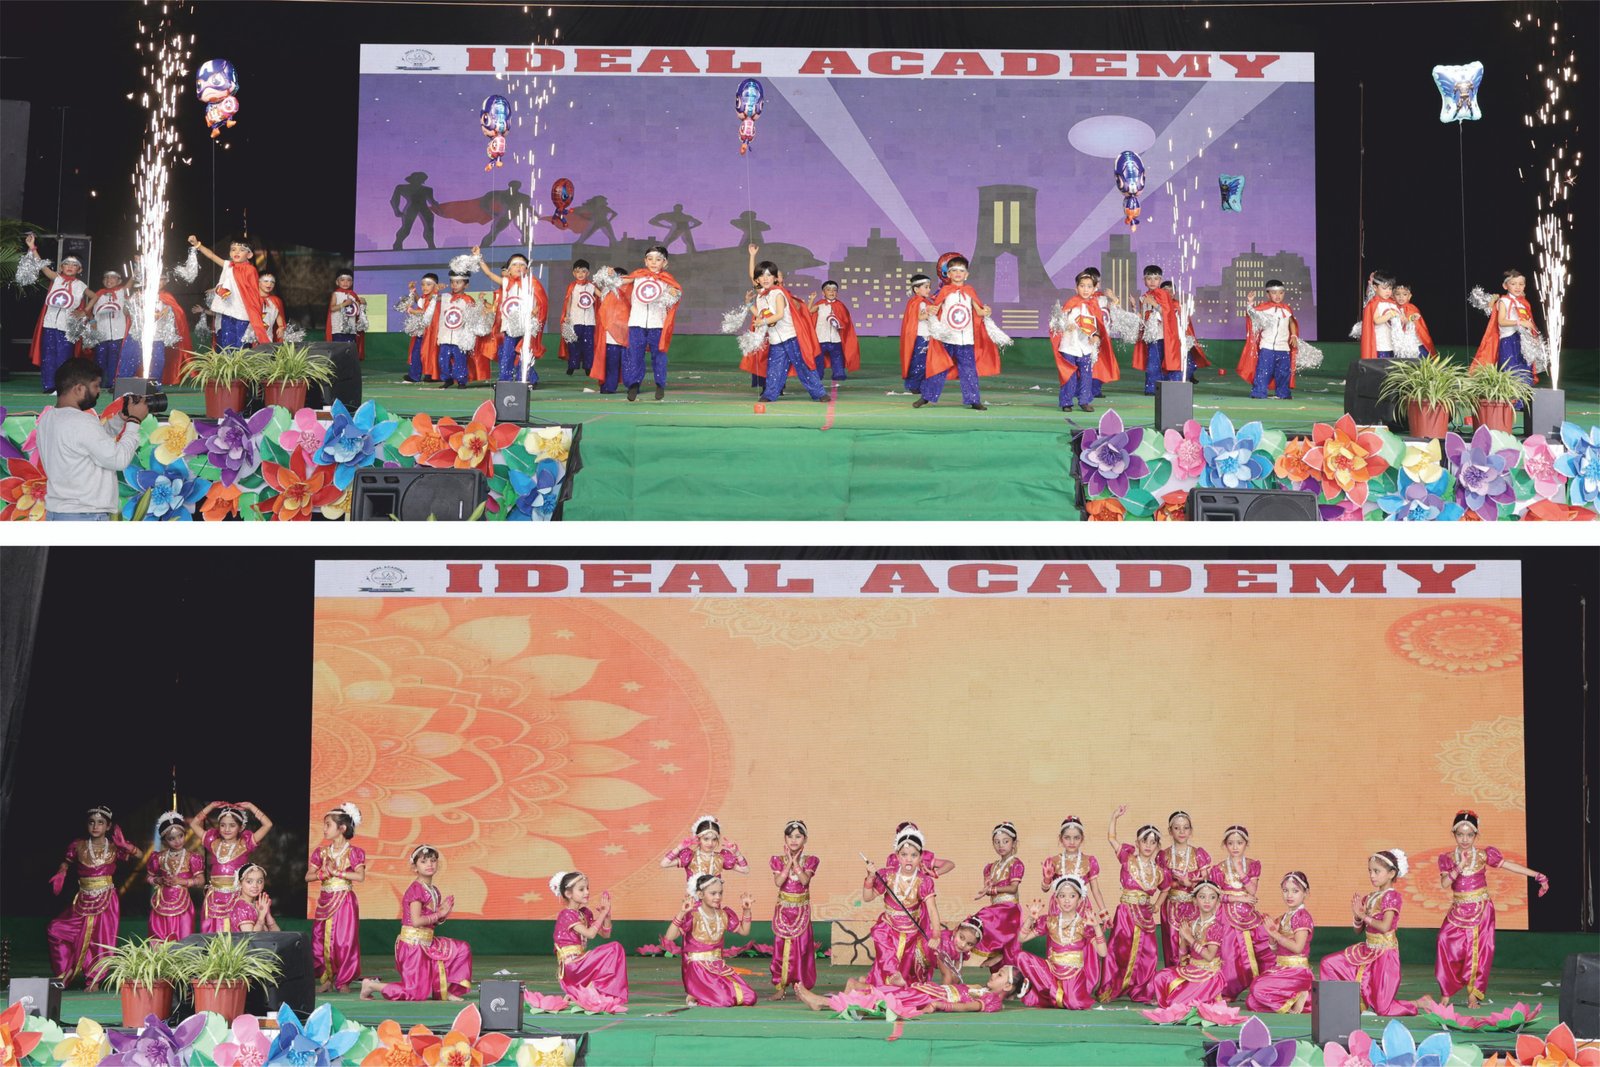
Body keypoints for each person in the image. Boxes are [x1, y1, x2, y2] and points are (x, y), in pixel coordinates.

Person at [1435, 810, 1549, 1007]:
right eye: (1460, 834)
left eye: (1469, 835)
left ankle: (1473, 995)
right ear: (1454, 834)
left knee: (1478, 951)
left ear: (1476, 835)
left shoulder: (1483, 855)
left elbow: (1510, 865)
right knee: (1444, 941)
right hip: (1458, 910)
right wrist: (1459, 866)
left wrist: (1537, 875)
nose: (1465, 839)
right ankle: (1446, 993)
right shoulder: (1447, 858)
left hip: (1481, 909)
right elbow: (1445, 884)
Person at [35, 359, 146, 520]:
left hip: (59, 514)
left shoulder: (48, 418)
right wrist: (134, 421)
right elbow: (118, 459)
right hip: (85, 516)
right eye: (96, 386)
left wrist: (120, 419)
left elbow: (89, 443)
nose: (99, 391)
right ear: (79, 388)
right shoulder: (82, 422)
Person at [362, 845, 473, 1002]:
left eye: (433, 861)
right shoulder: (416, 890)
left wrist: (442, 915)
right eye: (423, 861)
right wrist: (439, 914)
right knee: (414, 994)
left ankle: (445, 991)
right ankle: (371, 985)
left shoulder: (434, 891)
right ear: (415, 867)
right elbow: (416, 921)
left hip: (427, 943)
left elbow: (430, 921)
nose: (429, 864)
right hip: (412, 946)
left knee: (462, 949)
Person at [46, 805, 140, 988]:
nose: (95, 826)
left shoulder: (115, 847)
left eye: (100, 822)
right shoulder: (78, 845)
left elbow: (142, 855)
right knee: (55, 929)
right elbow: (67, 861)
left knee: (101, 940)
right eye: (91, 822)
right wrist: (62, 870)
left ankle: (95, 979)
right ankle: (63, 974)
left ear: (108, 826)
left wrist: (127, 846)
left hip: (107, 899)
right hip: (83, 899)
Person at [1317, 850, 1416, 1016]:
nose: (1372, 875)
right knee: (1328, 963)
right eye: (1370, 871)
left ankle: (1418, 1003)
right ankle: (1340, 1005)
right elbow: (1358, 931)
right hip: (1367, 951)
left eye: (1377, 871)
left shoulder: (1392, 896)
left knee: (1383, 1009)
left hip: (1385, 956)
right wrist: (1357, 916)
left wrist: (1363, 915)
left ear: (1391, 873)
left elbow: (1385, 927)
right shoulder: (1369, 897)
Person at [1099, 808, 1169, 1003]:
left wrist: (1157, 905)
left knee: (1148, 952)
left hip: (1145, 915)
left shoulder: (1159, 872)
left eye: (1153, 842)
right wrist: (1113, 818)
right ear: (1137, 843)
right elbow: (1112, 838)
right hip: (1126, 912)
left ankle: (1141, 991)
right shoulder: (1127, 859)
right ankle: (1110, 988)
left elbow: (1166, 889)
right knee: (1119, 949)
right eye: (1144, 841)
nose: (1148, 845)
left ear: (1157, 846)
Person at [862, 828, 948, 987]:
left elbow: (932, 910)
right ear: (897, 856)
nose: (909, 859)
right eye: (904, 855)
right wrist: (870, 877)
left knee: (907, 974)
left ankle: (879, 984)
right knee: (881, 937)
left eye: (914, 855)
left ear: (921, 857)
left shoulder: (924, 881)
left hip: (911, 933)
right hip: (888, 926)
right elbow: (867, 897)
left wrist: (936, 935)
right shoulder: (887, 875)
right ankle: (891, 974)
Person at [917, 256, 1002, 411]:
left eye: (961, 270)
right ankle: (927, 396)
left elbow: (979, 311)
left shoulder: (970, 292)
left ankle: (973, 400)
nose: (957, 273)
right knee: (940, 366)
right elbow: (936, 308)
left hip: (966, 338)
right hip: (947, 337)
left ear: (966, 275)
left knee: (968, 369)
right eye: (954, 270)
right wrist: (930, 310)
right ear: (948, 274)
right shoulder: (944, 291)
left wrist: (986, 311)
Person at [1015, 876, 1107, 1009]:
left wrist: (1097, 927)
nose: (1067, 900)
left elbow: (1102, 953)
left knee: (1074, 1004)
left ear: (1080, 900)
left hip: (1074, 974)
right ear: (1056, 900)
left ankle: (1053, 996)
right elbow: (1021, 939)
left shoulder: (1084, 924)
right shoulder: (1049, 921)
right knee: (1021, 957)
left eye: (1072, 896)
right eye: (1062, 896)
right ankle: (1052, 993)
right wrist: (1030, 918)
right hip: (1051, 971)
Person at [665, 874, 757, 1007]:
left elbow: (744, 931)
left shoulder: (723, 915)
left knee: (750, 997)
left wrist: (747, 910)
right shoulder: (693, 916)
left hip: (719, 966)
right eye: (713, 893)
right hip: (698, 968)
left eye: (720, 893)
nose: (718, 897)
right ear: (700, 895)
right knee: (724, 1001)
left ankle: (701, 994)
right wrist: (682, 913)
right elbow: (669, 937)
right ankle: (695, 994)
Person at [747, 259, 828, 404]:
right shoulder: (760, 296)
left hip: (791, 338)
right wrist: (749, 304)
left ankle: (819, 393)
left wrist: (763, 322)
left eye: (769, 275)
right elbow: (760, 314)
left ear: (775, 278)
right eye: (762, 275)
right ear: (757, 279)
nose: (765, 278)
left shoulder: (778, 293)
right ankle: (770, 394)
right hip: (776, 341)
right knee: (774, 369)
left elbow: (779, 315)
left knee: (803, 367)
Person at [1209, 824, 1274, 999]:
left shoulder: (1252, 865)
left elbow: (1252, 891)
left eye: (1239, 843)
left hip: (1248, 915)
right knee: (1229, 953)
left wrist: (1240, 871)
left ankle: (1261, 988)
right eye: (1230, 843)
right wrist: (1239, 899)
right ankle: (1229, 989)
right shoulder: (1218, 869)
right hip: (1227, 914)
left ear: (1246, 844)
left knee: (1261, 947)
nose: (1235, 847)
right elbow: (1217, 895)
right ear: (1225, 845)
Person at [189, 800, 273, 934]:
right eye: (223, 825)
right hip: (214, 897)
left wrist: (251, 807)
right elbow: (194, 824)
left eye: (232, 825)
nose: (226, 829)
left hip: (236, 897)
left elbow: (268, 824)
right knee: (213, 933)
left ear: (241, 827)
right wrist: (211, 806)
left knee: (234, 932)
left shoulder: (245, 844)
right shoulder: (213, 842)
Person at [308, 803, 366, 994]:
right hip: (325, 900)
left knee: (344, 941)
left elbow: (360, 876)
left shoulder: (354, 852)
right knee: (321, 938)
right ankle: (327, 979)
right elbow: (308, 876)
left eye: (328, 825)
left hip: (345, 901)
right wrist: (322, 874)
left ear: (341, 828)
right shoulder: (321, 853)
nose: (324, 829)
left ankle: (344, 981)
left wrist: (337, 873)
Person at [796, 967, 1023, 1015]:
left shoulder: (992, 1000)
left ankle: (822, 1002)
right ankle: (846, 994)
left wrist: (939, 1005)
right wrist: (906, 985)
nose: (994, 974)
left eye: (1000, 975)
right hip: (928, 990)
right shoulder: (980, 987)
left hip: (930, 997)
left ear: (1007, 987)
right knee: (882, 990)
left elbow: (967, 1007)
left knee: (879, 999)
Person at [550, 870, 629, 1007]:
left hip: (581, 964)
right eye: (581, 889)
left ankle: (587, 991)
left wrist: (607, 916)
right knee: (614, 948)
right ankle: (590, 990)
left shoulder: (584, 913)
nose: (587, 892)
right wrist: (602, 914)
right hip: (572, 967)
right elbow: (590, 934)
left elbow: (605, 934)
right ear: (568, 894)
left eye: (587, 888)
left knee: (615, 949)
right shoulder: (566, 915)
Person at [22, 234, 89, 393]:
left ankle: (62, 387)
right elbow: (42, 267)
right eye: (66, 264)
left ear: (79, 269)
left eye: (74, 265)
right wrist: (32, 247)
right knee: (48, 355)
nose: (70, 266)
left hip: (66, 326)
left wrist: (84, 311)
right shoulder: (57, 279)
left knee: (64, 357)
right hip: (49, 323)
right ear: (61, 267)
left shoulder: (81, 285)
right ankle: (49, 385)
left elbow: (96, 296)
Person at [1245, 872, 1315, 1013]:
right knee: (1251, 1002)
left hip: (1296, 972)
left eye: (1295, 891)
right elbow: (1276, 951)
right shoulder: (1284, 917)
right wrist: (1272, 936)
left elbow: (1298, 948)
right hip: (1282, 968)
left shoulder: (1302, 916)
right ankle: (1295, 1000)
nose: (1289, 895)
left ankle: (1299, 996)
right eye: (1285, 890)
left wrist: (1276, 934)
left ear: (1305, 893)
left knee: (1257, 988)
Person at [476, 248, 548, 385]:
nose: (518, 267)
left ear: (527, 269)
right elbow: (489, 274)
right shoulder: (506, 283)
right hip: (510, 327)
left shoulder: (532, 284)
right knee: (507, 354)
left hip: (527, 326)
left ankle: (526, 380)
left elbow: (541, 302)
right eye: (515, 265)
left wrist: (535, 311)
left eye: (522, 265)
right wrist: (479, 258)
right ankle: (505, 380)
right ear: (509, 270)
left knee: (524, 354)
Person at [1151, 881, 1227, 1008]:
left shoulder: (1216, 927)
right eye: (1202, 896)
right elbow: (1182, 956)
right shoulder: (1191, 923)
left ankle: (1189, 996)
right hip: (1191, 969)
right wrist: (1183, 939)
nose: (1207, 901)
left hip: (1208, 975)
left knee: (1175, 1003)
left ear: (1218, 902)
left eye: (1212, 897)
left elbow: (1209, 956)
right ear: (1195, 901)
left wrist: (1189, 938)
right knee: (1160, 977)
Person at [619, 246, 682, 401]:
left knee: (659, 355)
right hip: (637, 322)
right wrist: (610, 276)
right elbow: (618, 282)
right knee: (635, 355)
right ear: (645, 261)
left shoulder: (666, 280)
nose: (654, 262)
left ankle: (660, 384)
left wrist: (674, 293)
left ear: (665, 263)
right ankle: (634, 385)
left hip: (657, 324)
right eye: (650, 259)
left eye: (658, 259)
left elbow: (675, 295)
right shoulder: (638, 276)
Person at [1051, 271, 1117, 413]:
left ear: (1094, 289)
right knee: (1069, 375)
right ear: (1076, 288)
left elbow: (1098, 325)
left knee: (1086, 375)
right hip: (1069, 346)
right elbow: (1057, 322)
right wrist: (1065, 326)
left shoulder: (1094, 306)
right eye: (1082, 286)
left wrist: (1097, 336)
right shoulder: (1070, 304)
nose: (1085, 289)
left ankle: (1084, 401)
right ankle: (1066, 402)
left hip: (1086, 347)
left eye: (1089, 286)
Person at [188, 236, 270, 351]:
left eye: (241, 250)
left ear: (249, 255)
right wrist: (197, 244)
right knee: (226, 343)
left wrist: (255, 312)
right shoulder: (228, 266)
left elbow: (253, 293)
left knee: (241, 345)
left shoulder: (250, 270)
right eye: (233, 249)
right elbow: (211, 256)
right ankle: (227, 362)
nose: (236, 252)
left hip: (242, 315)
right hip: (228, 312)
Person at [769, 820, 820, 999]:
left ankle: (801, 988)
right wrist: (788, 863)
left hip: (801, 913)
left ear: (805, 839)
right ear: (785, 838)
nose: (794, 840)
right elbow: (778, 882)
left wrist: (795, 863)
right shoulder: (777, 860)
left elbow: (804, 880)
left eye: (798, 836)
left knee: (802, 950)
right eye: (790, 836)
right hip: (783, 912)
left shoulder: (811, 860)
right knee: (780, 950)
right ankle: (780, 988)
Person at [1157, 812, 1212, 968]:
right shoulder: (1163, 856)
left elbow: (1207, 883)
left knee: (1195, 941)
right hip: (1171, 906)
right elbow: (1160, 882)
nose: (1182, 832)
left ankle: (1194, 977)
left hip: (1194, 906)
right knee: (1172, 944)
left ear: (1190, 830)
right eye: (1177, 828)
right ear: (1170, 831)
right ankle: (1173, 978)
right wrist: (1175, 884)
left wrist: (1188, 883)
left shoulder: (1198, 854)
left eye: (1186, 828)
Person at [1471, 269, 1541, 390]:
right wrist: (1519, 322)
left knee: (1525, 370)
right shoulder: (1504, 301)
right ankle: (1512, 399)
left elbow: (1529, 322)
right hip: (1509, 341)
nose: (1517, 287)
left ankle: (1524, 399)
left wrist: (1533, 336)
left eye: (1521, 284)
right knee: (1511, 371)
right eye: (1513, 284)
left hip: (1524, 341)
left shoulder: (1524, 303)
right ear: (1505, 286)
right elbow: (1501, 321)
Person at [971, 823, 1025, 971]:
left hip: (1009, 909)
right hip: (997, 909)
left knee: (983, 916)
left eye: (1005, 841)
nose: (1001, 845)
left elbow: (1013, 888)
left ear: (1014, 843)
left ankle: (1000, 956)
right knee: (982, 925)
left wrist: (993, 889)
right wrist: (986, 889)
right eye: (997, 842)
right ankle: (995, 956)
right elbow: (988, 888)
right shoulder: (990, 867)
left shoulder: (1016, 864)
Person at [147, 811, 203, 943]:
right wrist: (158, 880)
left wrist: (182, 881)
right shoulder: (158, 857)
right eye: (171, 838)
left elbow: (201, 880)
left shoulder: (192, 857)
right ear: (165, 840)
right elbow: (149, 877)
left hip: (183, 906)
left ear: (184, 834)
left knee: (183, 940)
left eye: (180, 836)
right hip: (161, 904)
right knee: (159, 941)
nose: (177, 841)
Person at [1238, 281, 1300, 400]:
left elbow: (1292, 322)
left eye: (1281, 293)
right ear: (1268, 294)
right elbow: (1252, 315)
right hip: (1267, 346)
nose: (1278, 296)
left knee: (1283, 372)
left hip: (1283, 347)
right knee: (1263, 370)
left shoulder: (1287, 309)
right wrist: (1250, 302)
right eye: (1274, 293)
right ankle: (1259, 392)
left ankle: (1283, 393)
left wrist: (1293, 335)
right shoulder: (1263, 308)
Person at [1040, 816, 1108, 921]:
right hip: (1058, 907)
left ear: (1082, 839)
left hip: (1081, 907)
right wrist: (1047, 879)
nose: (1072, 842)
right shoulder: (1053, 861)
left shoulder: (1089, 861)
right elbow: (1045, 889)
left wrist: (1104, 913)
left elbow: (1095, 890)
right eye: (1067, 838)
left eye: (1076, 838)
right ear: (1060, 838)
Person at [1132, 265, 1181, 395]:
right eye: (1149, 278)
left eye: (1156, 279)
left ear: (1160, 280)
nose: (1152, 282)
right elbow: (1145, 317)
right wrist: (1135, 310)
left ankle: (1171, 388)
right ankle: (1152, 388)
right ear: (1144, 280)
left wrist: (1154, 303)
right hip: (1152, 336)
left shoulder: (1163, 294)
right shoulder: (1144, 297)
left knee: (1169, 362)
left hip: (1165, 336)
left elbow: (1168, 314)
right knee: (1153, 363)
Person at [661, 815, 750, 881]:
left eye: (714, 839)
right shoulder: (690, 857)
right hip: (693, 901)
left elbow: (745, 870)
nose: (710, 843)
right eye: (706, 839)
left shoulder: (720, 858)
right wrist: (679, 847)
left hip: (714, 901)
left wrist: (737, 853)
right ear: (698, 838)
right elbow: (664, 864)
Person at [587, 266, 629, 395]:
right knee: (611, 363)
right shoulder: (606, 292)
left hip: (626, 337)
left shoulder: (629, 294)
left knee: (628, 364)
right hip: (610, 337)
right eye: (614, 277)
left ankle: (632, 386)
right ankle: (609, 386)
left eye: (621, 278)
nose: (618, 281)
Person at [810, 281, 860, 382]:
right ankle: (818, 375)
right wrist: (811, 300)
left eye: (834, 290)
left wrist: (839, 323)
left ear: (837, 293)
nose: (831, 292)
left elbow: (846, 321)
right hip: (820, 337)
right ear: (823, 293)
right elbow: (809, 311)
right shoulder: (820, 305)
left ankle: (839, 373)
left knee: (837, 357)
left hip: (835, 338)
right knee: (818, 358)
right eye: (828, 290)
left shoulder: (841, 306)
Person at [88, 269, 130, 384]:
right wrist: (92, 323)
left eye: (112, 277)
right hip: (101, 333)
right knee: (100, 360)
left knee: (114, 360)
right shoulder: (98, 295)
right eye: (106, 277)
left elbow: (131, 283)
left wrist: (136, 270)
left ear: (119, 281)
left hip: (118, 334)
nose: (109, 280)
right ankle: (99, 384)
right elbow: (90, 311)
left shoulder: (121, 292)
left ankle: (113, 383)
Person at [398, 274, 441, 383]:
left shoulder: (436, 298)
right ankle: (414, 375)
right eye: (423, 285)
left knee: (430, 353)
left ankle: (431, 375)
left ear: (435, 286)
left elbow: (426, 313)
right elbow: (420, 302)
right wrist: (413, 290)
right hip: (423, 331)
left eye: (428, 284)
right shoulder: (426, 297)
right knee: (417, 352)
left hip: (431, 332)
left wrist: (412, 311)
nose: (425, 287)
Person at [559, 259, 598, 375]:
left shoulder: (592, 286)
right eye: (578, 271)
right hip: (575, 320)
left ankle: (588, 367)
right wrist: (567, 316)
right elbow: (568, 302)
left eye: (583, 271)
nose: (580, 274)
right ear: (574, 273)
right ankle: (572, 365)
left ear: (588, 273)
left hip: (589, 321)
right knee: (573, 344)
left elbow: (601, 296)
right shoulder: (572, 287)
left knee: (588, 345)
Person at [899, 274, 935, 395]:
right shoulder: (917, 302)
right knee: (919, 362)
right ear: (916, 289)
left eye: (929, 287)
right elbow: (919, 317)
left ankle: (918, 384)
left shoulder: (922, 302)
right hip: (921, 336)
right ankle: (914, 385)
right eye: (926, 287)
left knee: (922, 361)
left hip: (924, 335)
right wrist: (930, 313)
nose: (929, 289)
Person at [325, 270, 369, 360]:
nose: (345, 282)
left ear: (352, 282)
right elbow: (332, 308)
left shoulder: (353, 295)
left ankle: (349, 366)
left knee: (350, 349)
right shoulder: (336, 294)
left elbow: (358, 311)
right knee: (338, 349)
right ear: (337, 282)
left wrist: (363, 303)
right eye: (342, 280)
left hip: (351, 328)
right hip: (338, 328)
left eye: (348, 280)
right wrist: (344, 304)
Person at [390, 171, 440, 250]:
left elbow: (432, 201)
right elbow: (394, 200)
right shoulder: (401, 187)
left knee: (429, 228)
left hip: (424, 208)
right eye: (417, 179)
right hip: (411, 208)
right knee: (406, 229)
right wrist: (396, 210)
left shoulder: (428, 189)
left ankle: (431, 245)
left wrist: (437, 206)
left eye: (420, 179)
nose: (418, 181)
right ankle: (398, 243)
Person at [1358, 272, 1402, 360]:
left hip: (1393, 344)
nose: (1388, 291)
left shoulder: (1393, 303)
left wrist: (1408, 319)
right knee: (1382, 366)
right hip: (1381, 345)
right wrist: (1390, 315)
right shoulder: (1374, 303)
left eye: (1390, 288)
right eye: (1384, 288)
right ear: (1375, 288)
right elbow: (1377, 320)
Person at [229, 865, 280, 933]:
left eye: (259, 881)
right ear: (240, 883)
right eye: (249, 881)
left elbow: (277, 934)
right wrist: (261, 917)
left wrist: (267, 914)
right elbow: (251, 936)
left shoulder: (259, 904)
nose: (255, 886)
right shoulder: (241, 906)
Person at [1394, 284, 1436, 357]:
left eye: (1404, 294)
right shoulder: (1393, 307)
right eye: (1398, 294)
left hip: (1414, 343)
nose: (1401, 297)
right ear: (1393, 296)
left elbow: (1410, 320)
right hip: (1400, 341)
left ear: (1409, 296)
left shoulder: (1411, 308)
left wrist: (1410, 318)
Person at [256, 272, 287, 344]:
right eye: (266, 281)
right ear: (258, 282)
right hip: (250, 338)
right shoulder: (251, 298)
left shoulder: (276, 301)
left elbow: (279, 318)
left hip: (268, 339)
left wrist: (281, 327)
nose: (269, 284)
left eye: (272, 282)